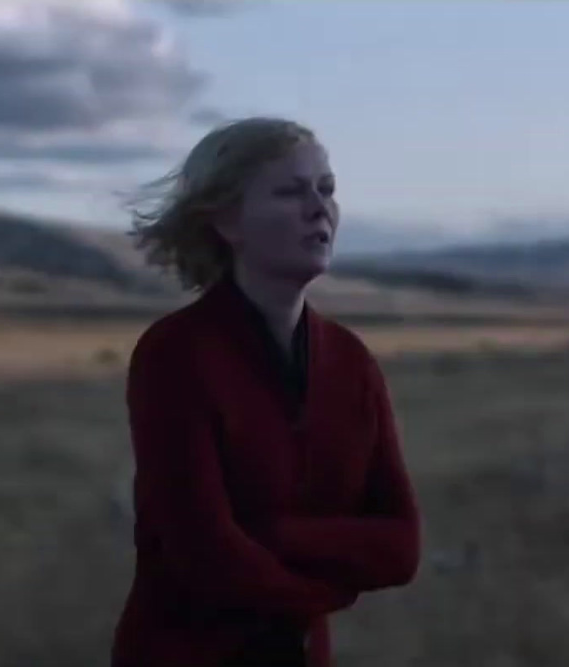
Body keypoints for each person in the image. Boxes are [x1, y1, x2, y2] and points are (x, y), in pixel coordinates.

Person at [111, 116, 422, 667]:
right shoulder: (175, 354)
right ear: (228, 220)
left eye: (326, 190)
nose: (318, 208)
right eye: (289, 191)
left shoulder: (351, 362)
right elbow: (203, 555)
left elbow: (400, 546)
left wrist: (272, 533)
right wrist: (326, 592)